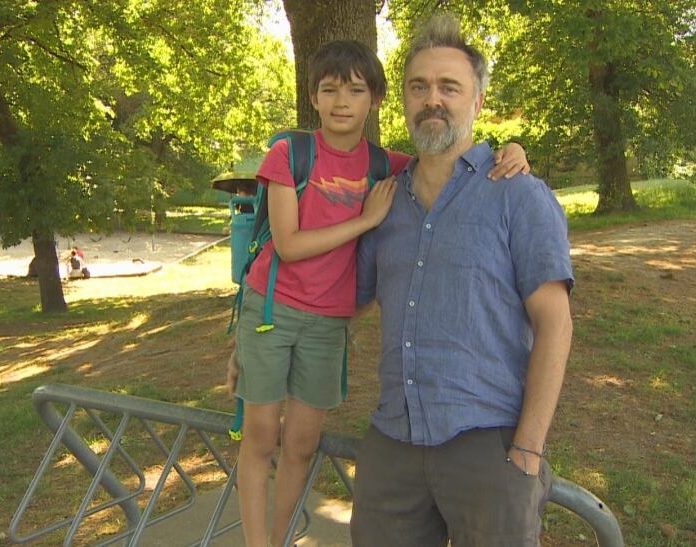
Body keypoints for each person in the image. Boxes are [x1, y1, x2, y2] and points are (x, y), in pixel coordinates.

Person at [226, 39, 530, 547]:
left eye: (355, 91)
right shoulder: (289, 155)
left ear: (376, 100)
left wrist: (512, 151)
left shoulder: (385, 165)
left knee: (300, 446)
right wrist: (364, 220)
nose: (342, 102)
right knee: (259, 438)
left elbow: (450, 153)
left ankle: (277, 540)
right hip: (271, 312)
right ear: (313, 98)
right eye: (329, 91)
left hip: (328, 324)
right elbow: (289, 245)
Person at [350, 15, 574, 547]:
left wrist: (528, 449)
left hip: (489, 448)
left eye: (450, 87)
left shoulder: (519, 195)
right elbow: (340, 304)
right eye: (419, 86)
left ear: (476, 103)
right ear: (402, 101)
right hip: (393, 445)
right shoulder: (381, 205)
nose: (433, 99)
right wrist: (254, 336)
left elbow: (555, 324)